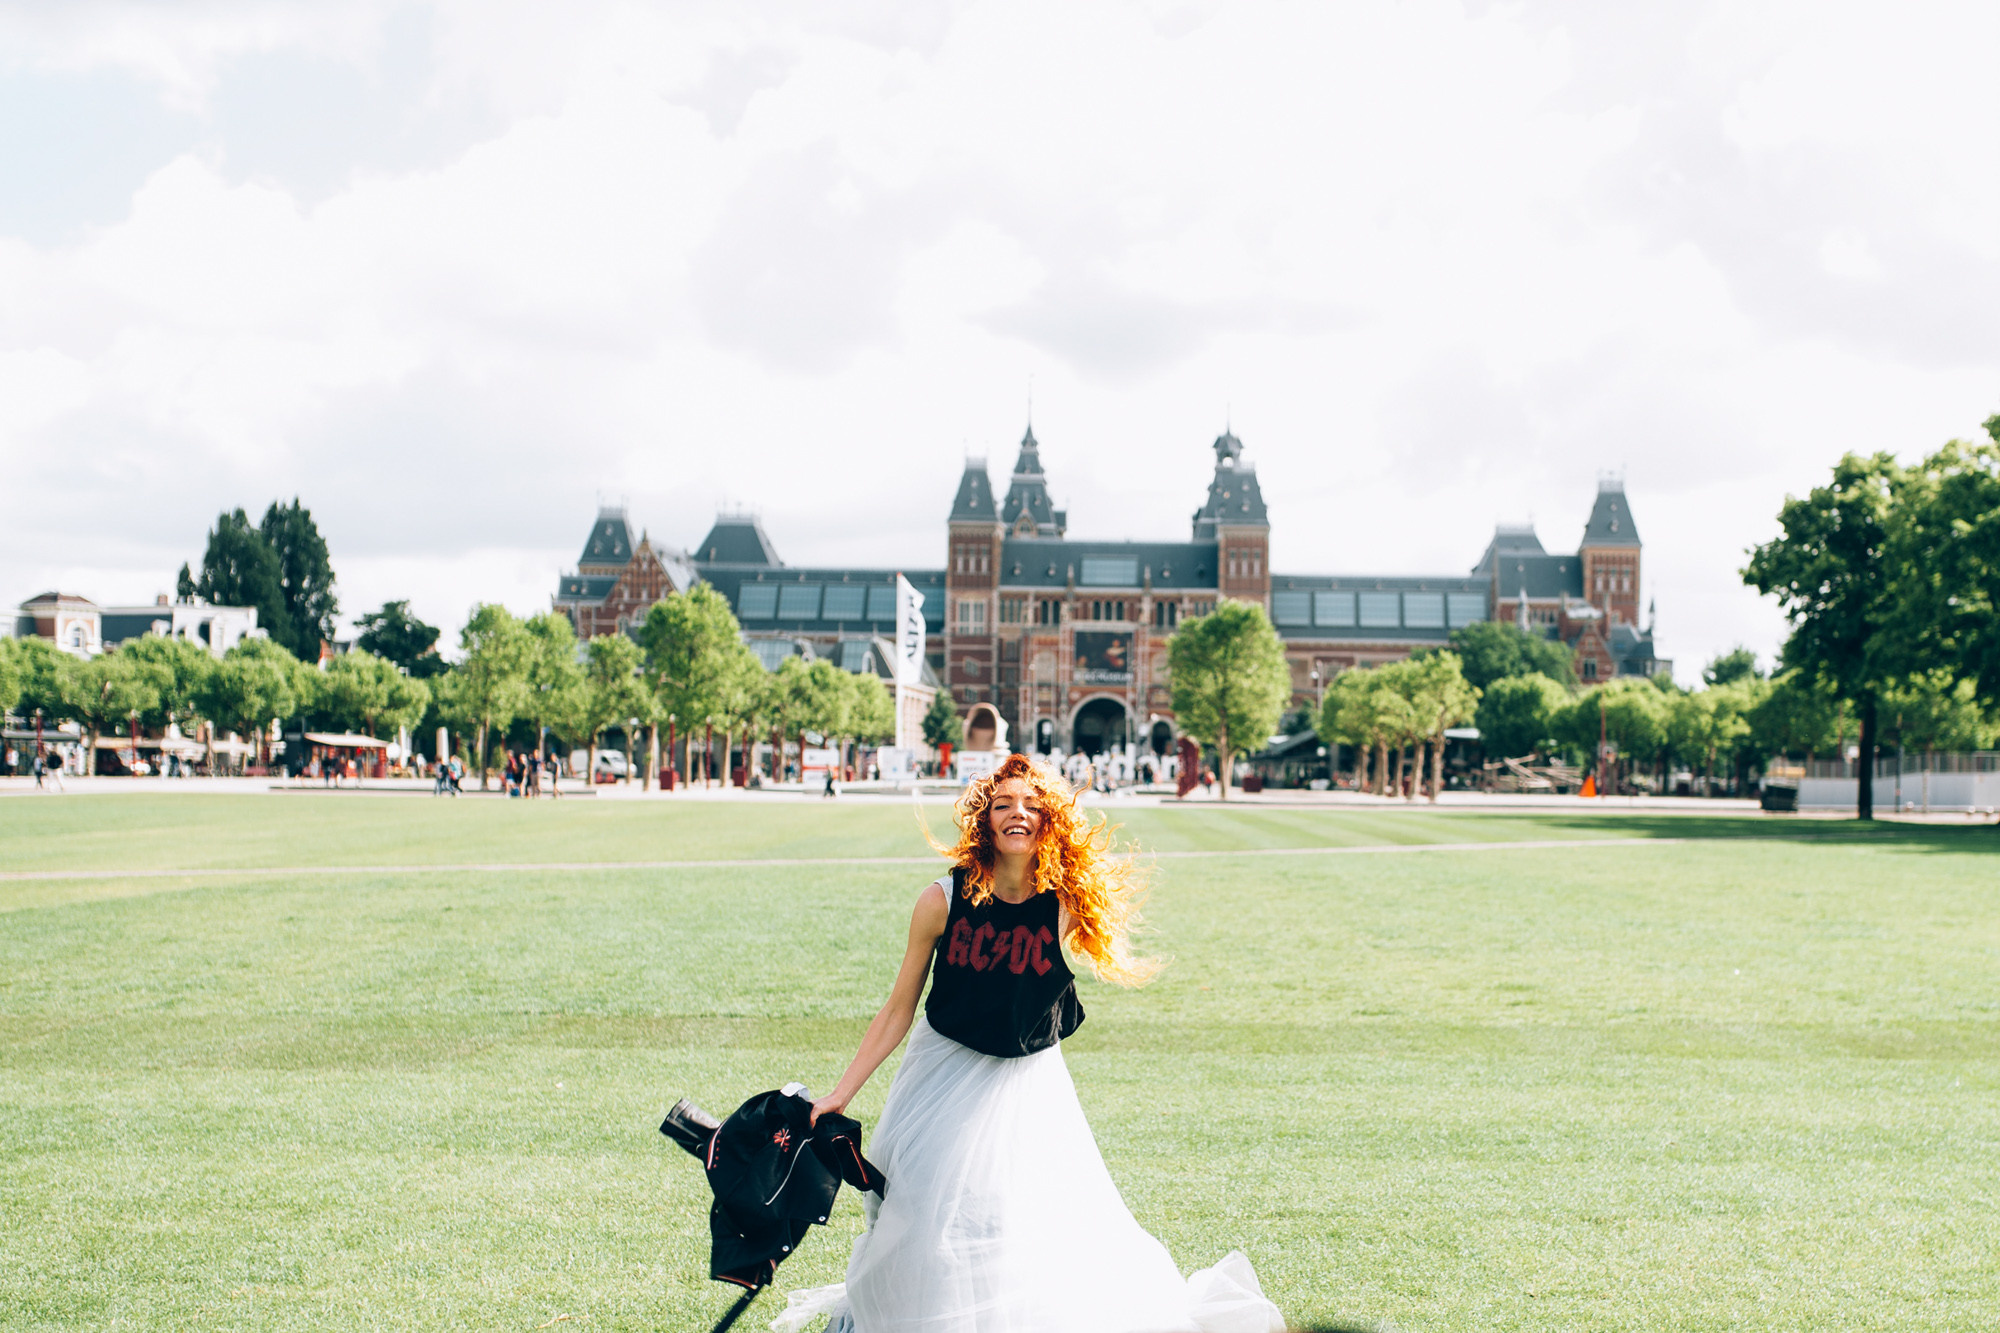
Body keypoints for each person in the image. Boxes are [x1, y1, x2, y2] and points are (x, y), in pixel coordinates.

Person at [778, 753, 1283, 1333]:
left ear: (1049, 821)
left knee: (1016, 1218)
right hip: (940, 1070)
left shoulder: (1065, 906)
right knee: (916, 1214)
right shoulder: (941, 900)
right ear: (984, 820)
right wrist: (842, 1093)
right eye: (1003, 804)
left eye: (1032, 805)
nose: (1018, 813)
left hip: (1025, 1084)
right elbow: (898, 1009)